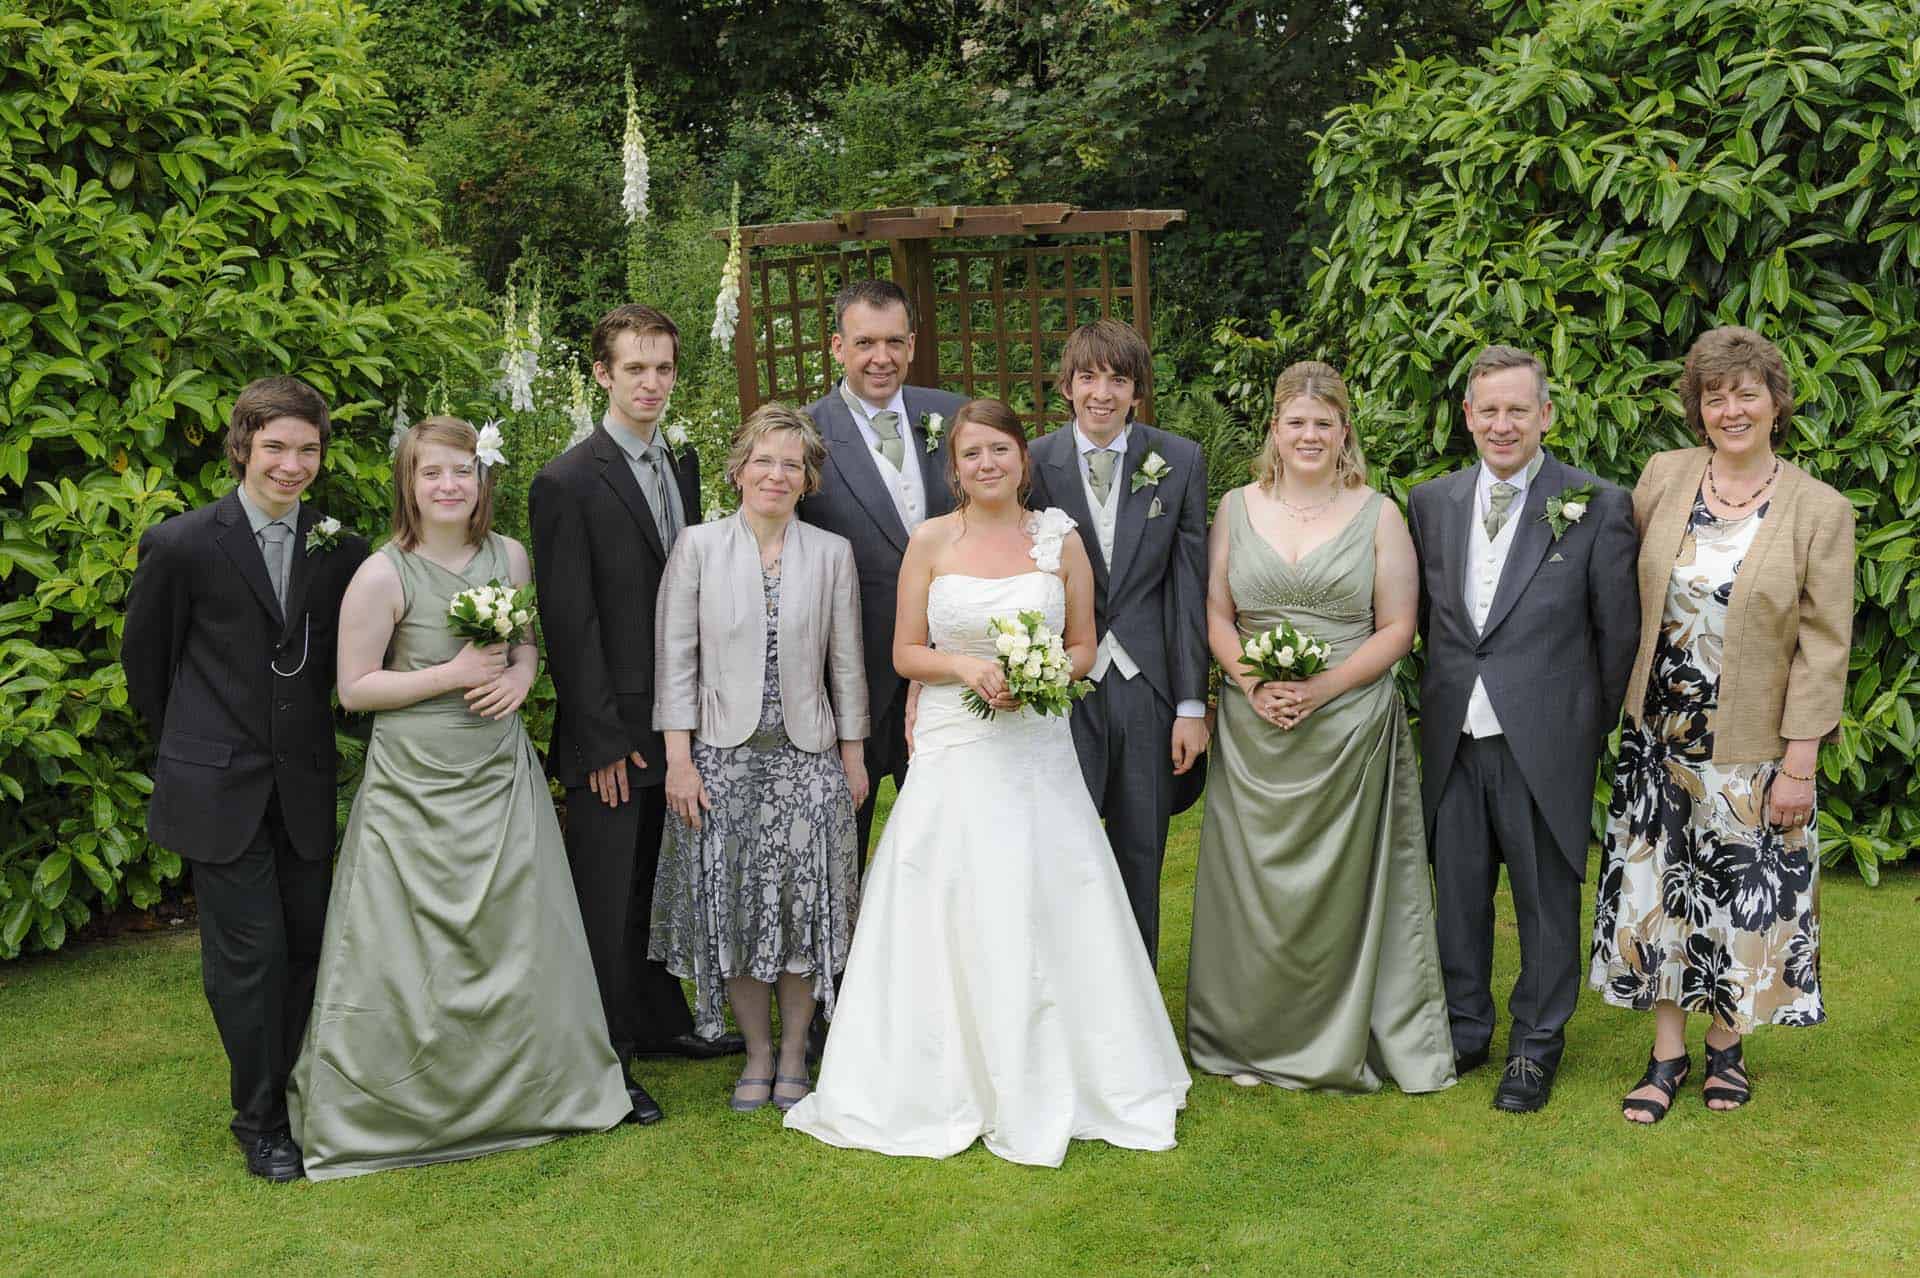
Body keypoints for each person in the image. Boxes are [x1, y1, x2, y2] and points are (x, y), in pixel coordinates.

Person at [783, 399, 1190, 1166]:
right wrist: (967, 666)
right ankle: (934, 1074)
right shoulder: (931, 542)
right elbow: (906, 651)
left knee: (1050, 883)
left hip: (1035, 742)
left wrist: (1043, 677)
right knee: (946, 883)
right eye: (972, 454)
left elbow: (1082, 643)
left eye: (1000, 449)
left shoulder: (1058, 539)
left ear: (1022, 459)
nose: (988, 464)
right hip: (954, 737)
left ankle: (1079, 1064)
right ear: (955, 468)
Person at [287, 417, 629, 1179]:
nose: (448, 486)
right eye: (432, 473)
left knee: (519, 934)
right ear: (409, 484)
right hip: (415, 785)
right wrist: (454, 674)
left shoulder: (508, 556)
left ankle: (535, 1095)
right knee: (406, 949)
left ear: (483, 480)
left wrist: (519, 675)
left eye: (462, 472)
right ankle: (397, 1106)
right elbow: (354, 688)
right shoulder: (382, 573)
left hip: (500, 776)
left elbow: (529, 642)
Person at [1593, 326, 1854, 1123]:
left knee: (1735, 902)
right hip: (1655, 738)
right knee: (1658, 897)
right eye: (1714, 396)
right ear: (1697, 408)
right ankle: (1665, 1055)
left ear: (1776, 403)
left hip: (1751, 749)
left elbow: (1824, 644)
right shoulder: (1663, 478)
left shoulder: (1819, 508)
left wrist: (1800, 763)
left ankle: (1726, 1045)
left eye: (1746, 393)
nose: (1730, 408)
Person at [123, 376, 368, 1181]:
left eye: (307, 449)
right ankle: (258, 1120)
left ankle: (298, 1094)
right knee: (249, 957)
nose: (292, 465)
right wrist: (195, 752)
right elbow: (147, 671)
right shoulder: (182, 544)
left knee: (304, 949)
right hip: (214, 790)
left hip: (300, 786)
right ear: (242, 447)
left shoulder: (340, 548)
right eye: (275, 448)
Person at [1187, 362, 1454, 1094]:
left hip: (1350, 727)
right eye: (1296, 422)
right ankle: (1247, 1035)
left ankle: (1342, 1032)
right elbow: (1216, 612)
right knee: (1254, 890)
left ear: (1345, 433)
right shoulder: (1236, 508)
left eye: (1324, 424)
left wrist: (1323, 688)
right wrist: (1251, 682)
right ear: (1274, 430)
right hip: (1254, 729)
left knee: (1339, 892)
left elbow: (1398, 627)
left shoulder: (1379, 513)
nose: (1310, 435)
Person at [1406, 344, 1639, 1113]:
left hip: (1545, 740)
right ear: (1467, 416)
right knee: (1460, 894)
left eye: (1518, 409)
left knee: (1545, 901)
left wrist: (1579, 727)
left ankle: (1536, 1046)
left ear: (1546, 415)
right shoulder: (1430, 503)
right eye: (1488, 409)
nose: (1502, 424)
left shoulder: (1596, 504)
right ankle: (1467, 1029)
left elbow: (1618, 637)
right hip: (1453, 737)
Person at [530, 305, 740, 1129]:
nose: (651, 383)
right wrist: (598, 740)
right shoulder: (565, 480)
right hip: (611, 731)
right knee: (607, 898)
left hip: (674, 717)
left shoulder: (679, 462)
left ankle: (657, 1022)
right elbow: (567, 619)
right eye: (635, 368)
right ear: (601, 374)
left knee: (658, 879)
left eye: (663, 368)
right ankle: (605, 1060)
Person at [650, 404, 869, 1114]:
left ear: (807, 480)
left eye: (792, 464)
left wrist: (853, 757)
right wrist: (679, 761)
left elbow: (849, 667)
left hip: (808, 762)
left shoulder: (832, 554)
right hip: (721, 761)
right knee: (740, 912)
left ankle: (798, 1050)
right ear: (738, 469)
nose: (776, 474)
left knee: (805, 909)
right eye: (764, 460)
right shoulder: (698, 548)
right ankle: (757, 1053)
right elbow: (675, 661)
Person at [1026, 319, 1210, 964]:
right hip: (1061, 688)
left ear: (1137, 391)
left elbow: (1189, 588)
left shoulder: (1178, 460)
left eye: (1118, 379)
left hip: (1147, 687)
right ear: (1068, 386)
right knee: (1063, 849)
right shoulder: (1033, 462)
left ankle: (1139, 1014)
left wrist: (1191, 704)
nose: (1102, 393)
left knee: (1141, 849)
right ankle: (1066, 995)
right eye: (1088, 377)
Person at [799, 278, 966, 859]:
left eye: (894, 341)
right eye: (865, 342)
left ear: (913, 343)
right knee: (841, 847)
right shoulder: (804, 435)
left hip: (947, 672)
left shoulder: (953, 418)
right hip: (850, 675)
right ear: (837, 346)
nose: (881, 358)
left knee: (949, 842)